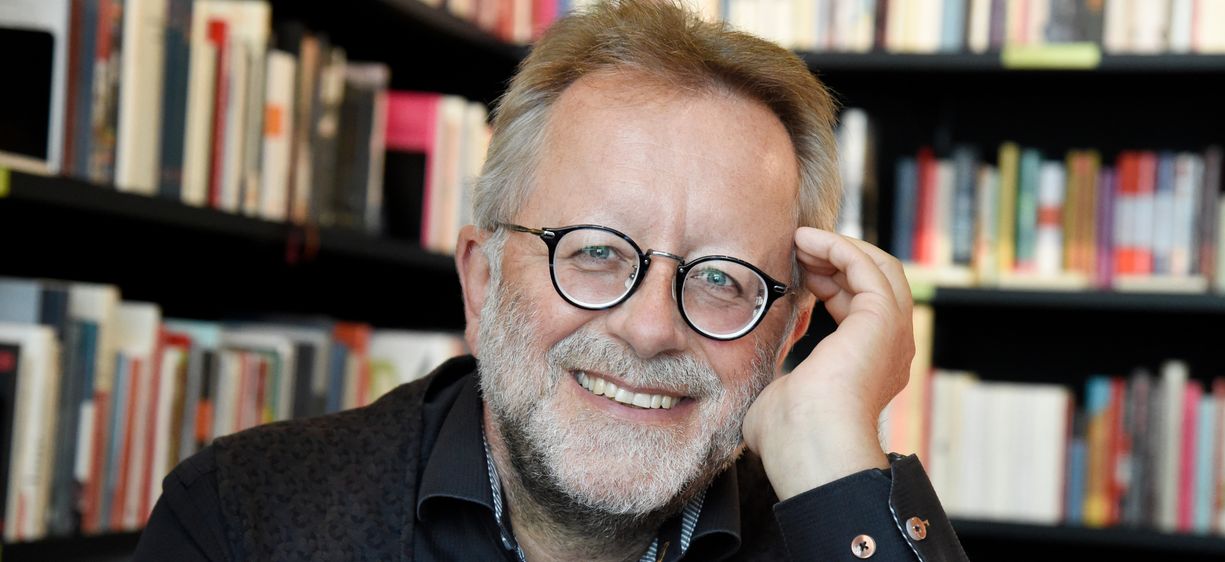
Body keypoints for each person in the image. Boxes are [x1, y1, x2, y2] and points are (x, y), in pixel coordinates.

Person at [135, 1, 969, 560]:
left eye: (720, 277)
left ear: (787, 334)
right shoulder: (241, 517)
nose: (648, 330)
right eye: (596, 253)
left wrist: (834, 455)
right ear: (481, 278)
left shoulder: (831, 532)